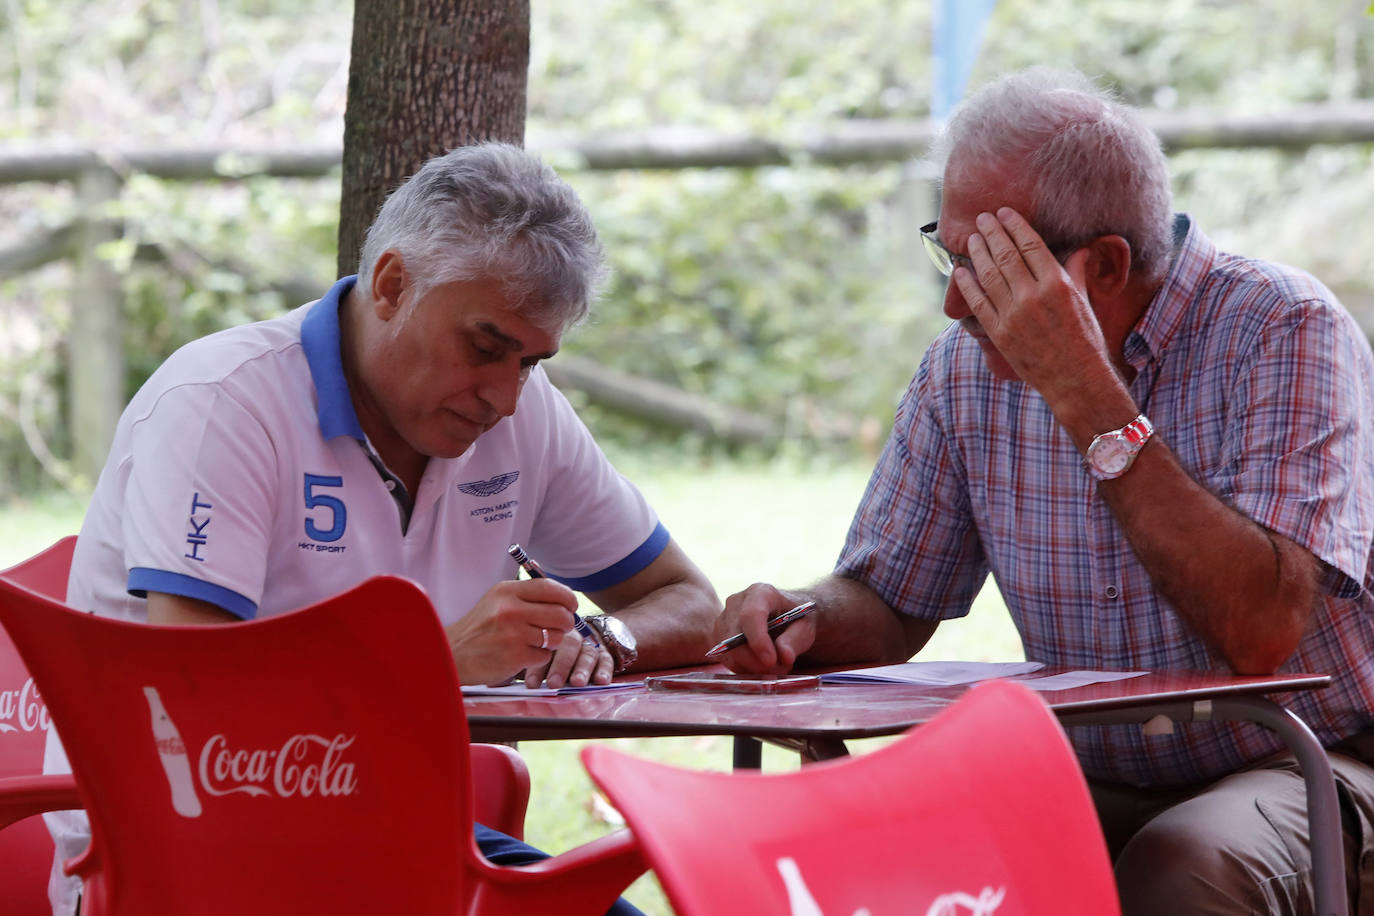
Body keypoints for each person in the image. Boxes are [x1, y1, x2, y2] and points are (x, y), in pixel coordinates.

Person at [716, 68, 1374, 915]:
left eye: (988, 265)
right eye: (947, 256)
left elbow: (1261, 632)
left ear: (1102, 264)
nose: (955, 301)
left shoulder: (1283, 326)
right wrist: (797, 617)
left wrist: (1085, 392)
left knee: (1184, 867)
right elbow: (891, 601)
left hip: (1315, 760)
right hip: (1078, 766)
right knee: (855, 848)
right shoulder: (962, 371)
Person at [44, 141, 721, 916]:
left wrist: (603, 642)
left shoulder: (526, 417)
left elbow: (688, 599)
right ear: (394, 284)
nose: (504, 395)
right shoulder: (221, 404)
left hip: (397, 838)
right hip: (185, 855)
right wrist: (437, 661)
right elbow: (195, 713)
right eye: (485, 347)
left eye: (531, 362)